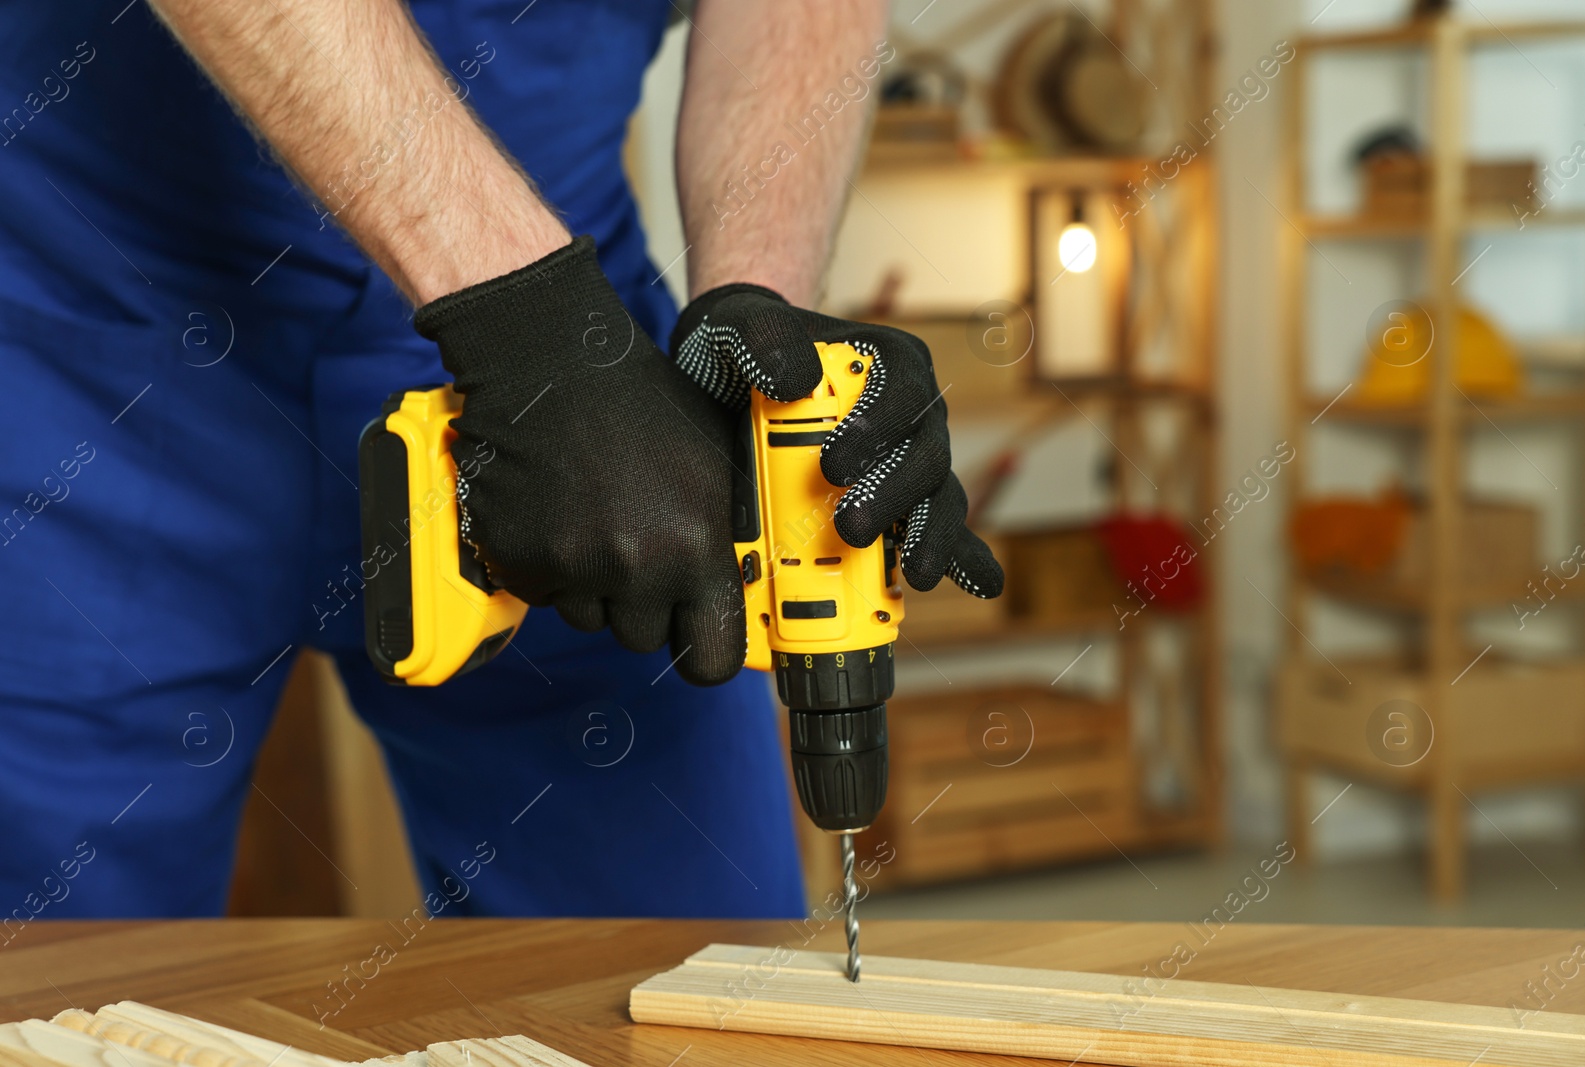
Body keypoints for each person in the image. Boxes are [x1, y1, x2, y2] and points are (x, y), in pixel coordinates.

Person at [0, 0, 1000, 924]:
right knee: (54, 994)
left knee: (691, 976)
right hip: (88, 323)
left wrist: (757, 323)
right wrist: (523, 319)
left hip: (589, 371)